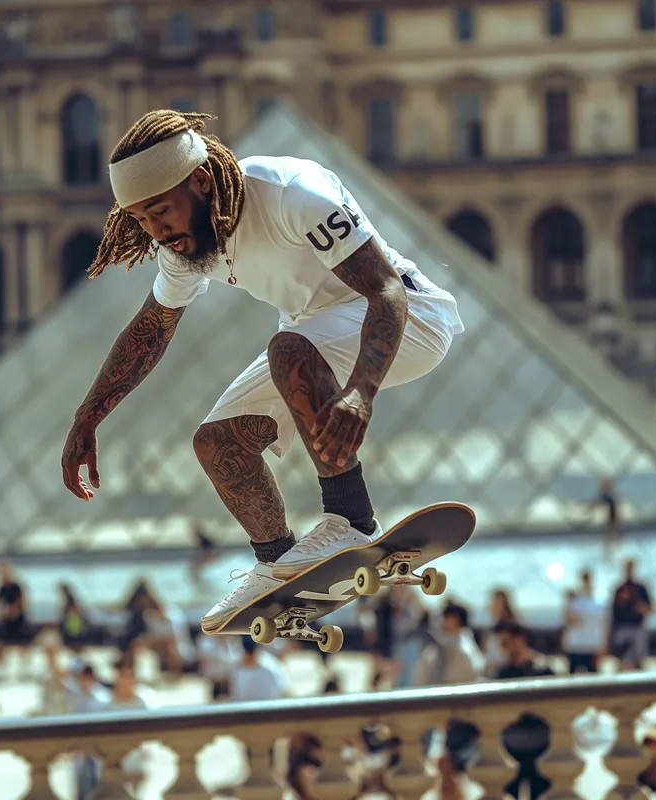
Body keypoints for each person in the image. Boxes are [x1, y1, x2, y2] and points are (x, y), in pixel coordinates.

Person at [59, 109, 464, 630]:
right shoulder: (184, 246)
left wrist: (361, 392)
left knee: (287, 350)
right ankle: (281, 566)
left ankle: (352, 520)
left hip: (410, 318)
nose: (156, 232)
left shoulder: (294, 191)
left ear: (201, 183)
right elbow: (152, 328)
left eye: (160, 212)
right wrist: (87, 418)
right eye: (140, 220)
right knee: (217, 442)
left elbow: (384, 289)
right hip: (314, 335)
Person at [413, 602, 485, 687]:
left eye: (446, 618)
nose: (443, 622)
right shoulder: (437, 647)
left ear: (455, 620)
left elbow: (475, 669)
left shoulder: (465, 647)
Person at [609, 559, 653, 672]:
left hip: (637, 627)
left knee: (638, 658)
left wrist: (641, 608)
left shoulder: (641, 588)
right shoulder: (619, 589)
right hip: (622, 628)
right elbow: (612, 612)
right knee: (622, 659)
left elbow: (650, 608)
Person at [562, 570, 606, 674]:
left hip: (593, 646)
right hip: (576, 646)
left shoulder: (599, 603)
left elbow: (604, 625)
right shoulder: (574, 602)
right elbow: (570, 621)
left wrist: (603, 645)